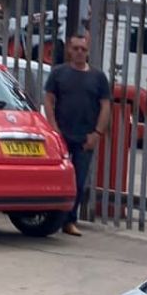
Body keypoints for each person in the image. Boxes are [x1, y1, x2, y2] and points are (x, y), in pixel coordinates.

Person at [44, 33, 111, 236]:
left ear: (88, 51)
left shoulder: (98, 77)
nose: (80, 52)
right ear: (69, 50)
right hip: (62, 136)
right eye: (76, 48)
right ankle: (52, 220)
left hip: (85, 137)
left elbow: (105, 106)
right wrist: (53, 128)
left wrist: (97, 133)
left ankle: (70, 221)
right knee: (56, 180)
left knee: (79, 182)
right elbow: (48, 100)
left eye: (83, 49)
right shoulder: (58, 73)